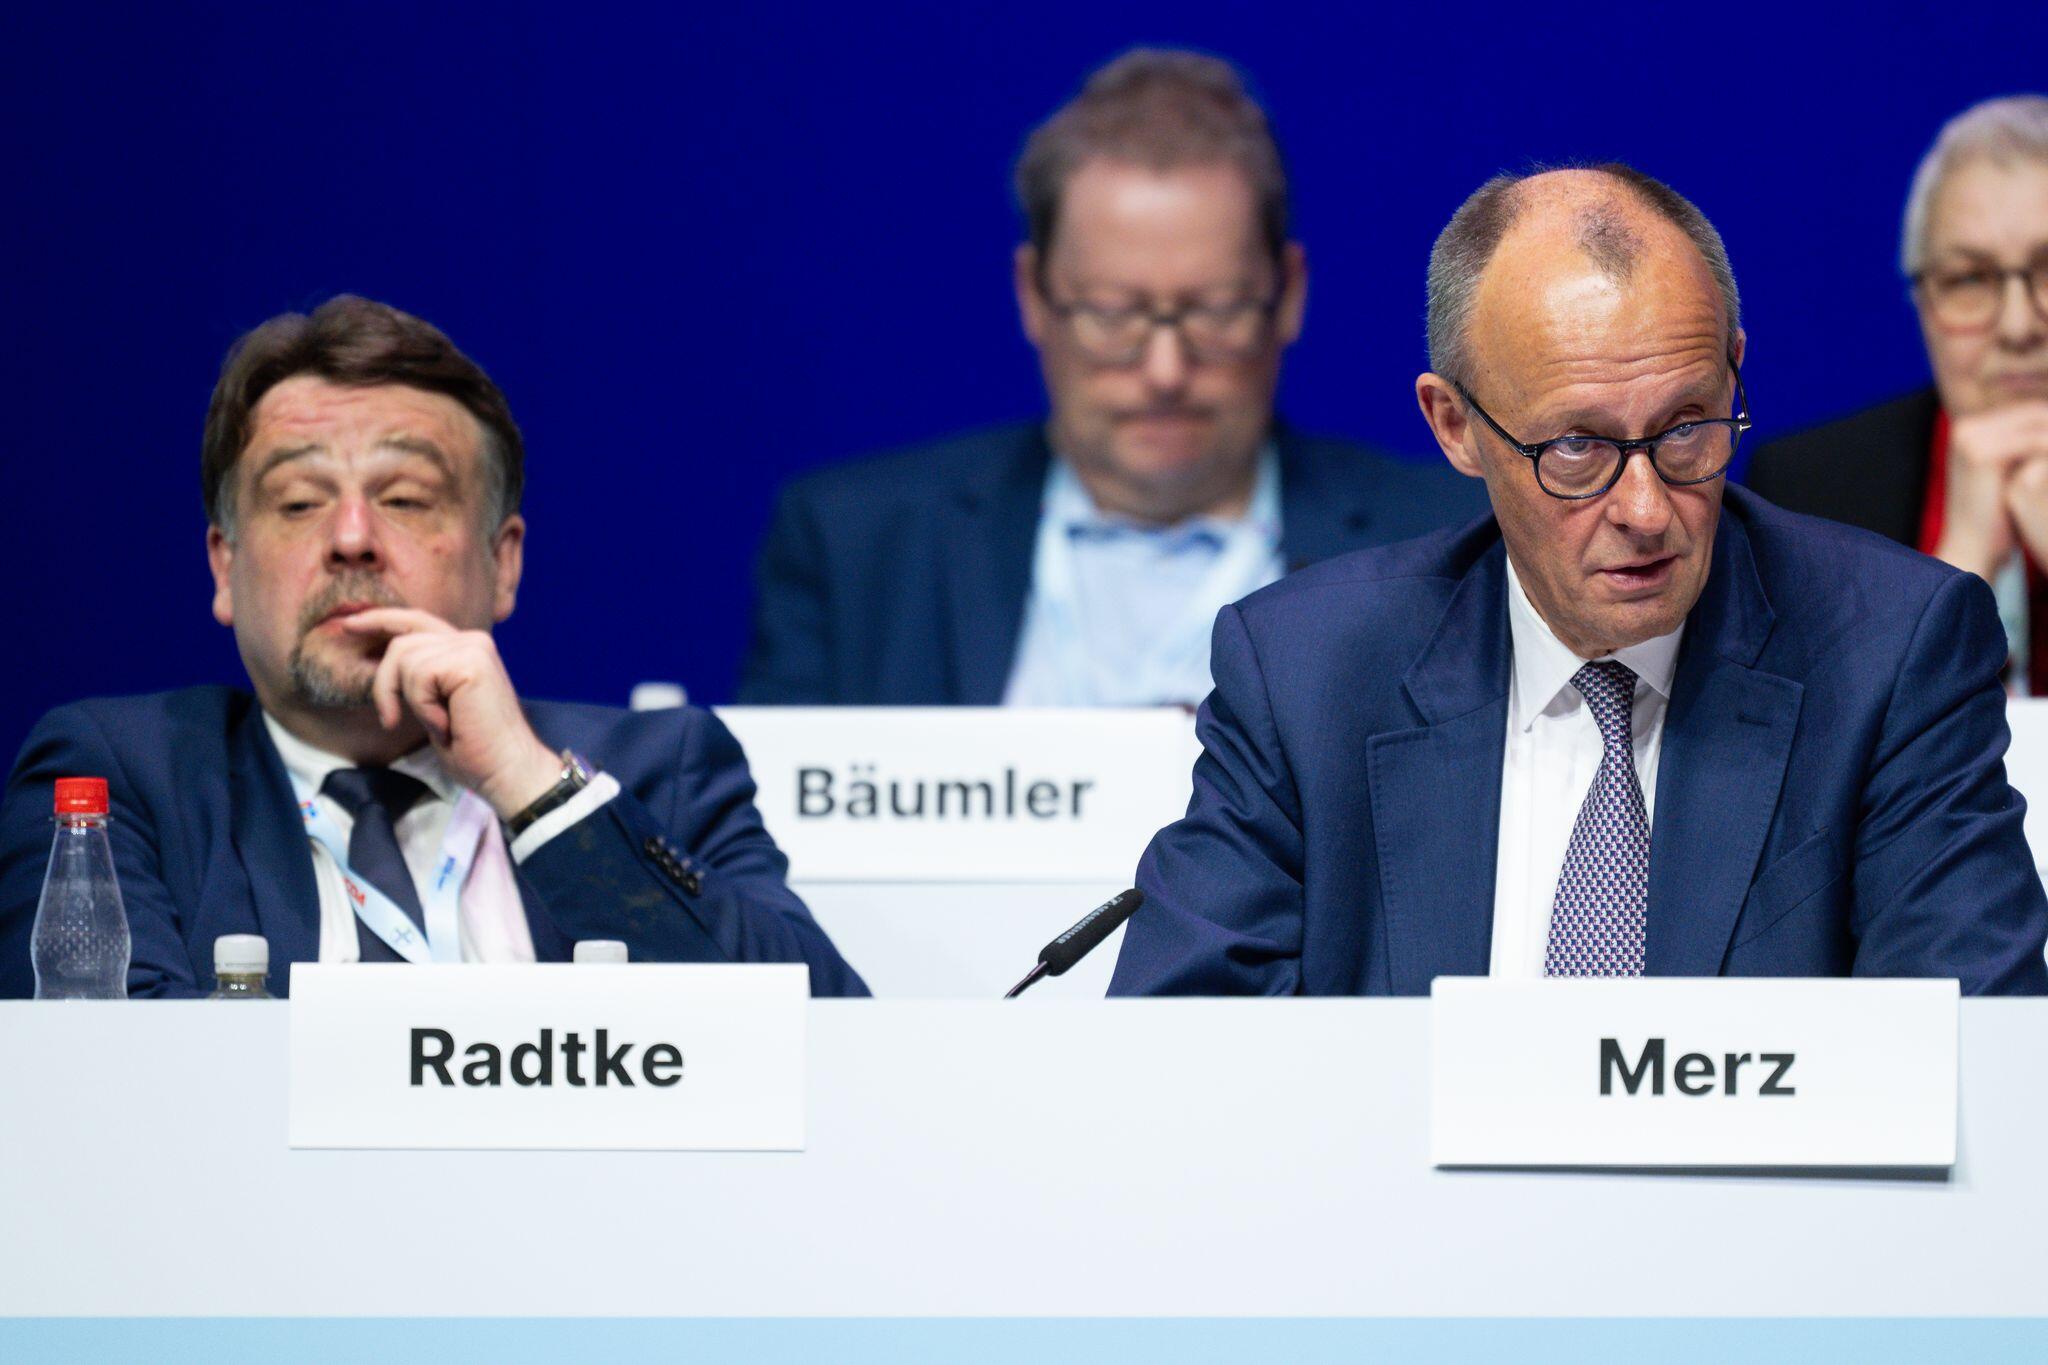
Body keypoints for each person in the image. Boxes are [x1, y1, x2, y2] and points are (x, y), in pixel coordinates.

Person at [1109, 165, 2048, 996]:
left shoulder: (1889, 654)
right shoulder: (1307, 673)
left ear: (1734, 373)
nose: (1645, 507)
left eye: (1687, 426)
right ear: (1454, 425)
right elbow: (1183, 1059)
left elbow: (1974, 1051)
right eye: (1576, 446)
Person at [0, 296, 867, 998]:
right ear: (225, 566)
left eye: (406, 499)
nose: (351, 538)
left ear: (502, 562)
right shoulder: (125, 779)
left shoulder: (656, 770)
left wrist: (532, 788)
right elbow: (109, 1087)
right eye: (299, 502)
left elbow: (825, 1042)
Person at [739, 49, 1484, 707]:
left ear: (1288, 295)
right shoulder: (857, 547)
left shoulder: (1451, 545)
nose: (1165, 372)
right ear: (1033, 297)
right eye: (1111, 314)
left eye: (1215, 311)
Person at [1747, 95, 2048, 688]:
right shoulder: (1805, 497)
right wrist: (1955, 574)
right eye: (1969, 279)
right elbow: (1795, 735)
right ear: (1922, 304)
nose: (2018, 327)